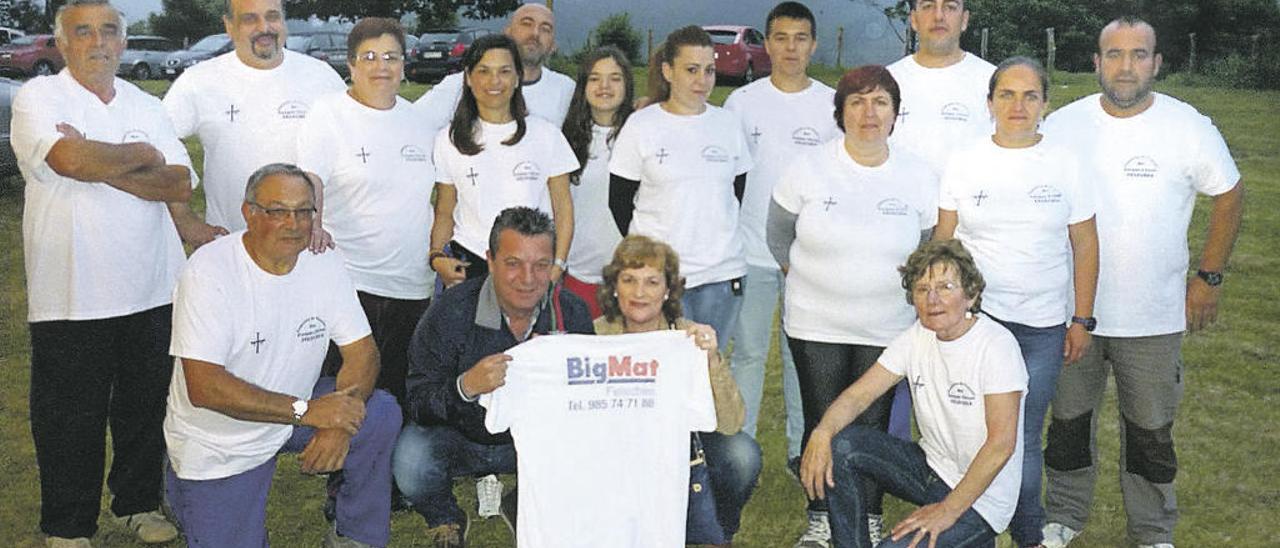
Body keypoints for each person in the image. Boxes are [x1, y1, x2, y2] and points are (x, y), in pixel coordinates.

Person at [1038, 17, 1244, 548]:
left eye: (1138, 54)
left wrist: (1209, 277)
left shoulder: (1189, 126)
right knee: (1068, 423)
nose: (1125, 66)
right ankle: (1062, 516)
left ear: (1156, 63)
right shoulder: (1061, 125)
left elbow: (1229, 195)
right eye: (1114, 54)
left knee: (1151, 432)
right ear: (1095, 63)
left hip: (1153, 315)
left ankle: (1152, 532)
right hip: (1072, 311)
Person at [12, 1, 193, 544]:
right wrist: (141, 156)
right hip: (73, 292)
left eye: (109, 31)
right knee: (71, 418)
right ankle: (68, 525)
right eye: (83, 32)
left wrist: (105, 159)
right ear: (62, 42)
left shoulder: (145, 103)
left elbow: (179, 183)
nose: (98, 42)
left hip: (153, 287)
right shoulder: (38, 97)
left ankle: (136, 503)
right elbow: (67, 162)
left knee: (145, 407)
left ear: (124, 42)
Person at [162, 163, 400, 548]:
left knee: (379, 413)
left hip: (294, 412)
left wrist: (340, 421)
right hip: (221, 445)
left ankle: (354, 536)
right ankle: (180, 487)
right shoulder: (208, 272)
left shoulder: (323, 261)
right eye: (277, 211)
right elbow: (204, 387)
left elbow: (363, 353)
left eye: (304, 211)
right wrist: (307, 412)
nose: (294, 224)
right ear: (249, 213)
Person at [768, 64, 938, 547]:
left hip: (887, 326)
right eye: (858, 101)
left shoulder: (919, 176)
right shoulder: (807, 168)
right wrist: (813, 278)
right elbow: (778, 237)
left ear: (895, 113)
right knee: (823, 421)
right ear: (840, 112)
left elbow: (927, 249)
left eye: (880, 101)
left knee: (870, 430)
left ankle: (867, 517)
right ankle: (821, 518)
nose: (869, 112)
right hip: (815, 323)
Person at [933, 56, 1099, 548]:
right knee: (972, 427)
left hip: (1040, 327)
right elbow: (945, 243)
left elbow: (1085, 245)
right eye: (1006, 94)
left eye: (1030, 95)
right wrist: (942, 311)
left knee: (1020, 433)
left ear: (1046, 103)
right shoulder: (964, 162)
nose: (1018, 105)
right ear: (989, 103)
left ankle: (1028, 533)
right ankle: (972, 525)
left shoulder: (1067, 163)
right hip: (977, 322)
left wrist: (1081, 318)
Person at [800, 239, 1026, 548]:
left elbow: (1001, 445)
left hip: (983, 498)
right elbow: (858, 396)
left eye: (946, 287)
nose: (933, 299)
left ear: (971, 295)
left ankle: (975, 535)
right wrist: (822, 432)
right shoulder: (917, 337)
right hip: (933, 469)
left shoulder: (997, 347)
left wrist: (948, 510)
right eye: (922, 289)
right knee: (842, 445)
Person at [394, 207, 595, 547]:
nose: (528, 278)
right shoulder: (450, 312)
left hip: (531, 444)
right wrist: (465, 387)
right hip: (460, 436)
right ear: (490, 260)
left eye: (541, 265)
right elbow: (417, 400)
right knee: (411, 462)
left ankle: (525, 503)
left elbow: (589, 402)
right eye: (513, 263)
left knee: (592, 453)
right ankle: (445, 518)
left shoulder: (570, 313)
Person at [722, 0, 836, 503]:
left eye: (800, 38)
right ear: (766, 44)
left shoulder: (833, 104)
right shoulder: (742, 103)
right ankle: (738, 451)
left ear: (813, 44)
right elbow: (728, 179)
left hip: (810, 259)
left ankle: (801, 450)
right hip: (751, 252)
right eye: (781, 38)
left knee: (802, 358)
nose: (790, 48)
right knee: (747, 353)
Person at [296, 17, 435, 405]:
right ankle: (343, 466)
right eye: (369, 56)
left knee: (396, 397)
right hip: (351, 283)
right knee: (347, 398)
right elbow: (312, 179)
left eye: (391, 56)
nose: (381, 66)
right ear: (351, 64)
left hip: (412, 285)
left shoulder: (421, 122)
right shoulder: (329, 114)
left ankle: (386, 467)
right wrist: (315, 223)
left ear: (404, 64)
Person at [593, 235, 762, 546]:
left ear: (668, 290)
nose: (639, 292)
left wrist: (711, 360)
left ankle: (715, 530)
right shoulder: (593, 336)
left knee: (742, 454)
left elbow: (732, 421)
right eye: (629, 280)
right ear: (614, 287)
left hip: (681, 445)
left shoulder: (688, 336)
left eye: (652, 282)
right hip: (616, 448)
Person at [609, 25, 753, 349]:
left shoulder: (727, 124)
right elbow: (618, 201)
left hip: (722, 276)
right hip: (661, 282)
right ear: (668, 71)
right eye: (691, 70)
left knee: (709, 375)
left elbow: (735, 193)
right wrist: (650, 259)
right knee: (664, 377)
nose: (702, 80)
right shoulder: (642, 126)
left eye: (709, 70)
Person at [163, 0, 346, 233]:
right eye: (250, 19)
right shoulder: (198, 82)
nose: (264, 27)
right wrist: (184, 219)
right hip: (234, 244)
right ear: (229, 26)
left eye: (272, 16)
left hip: (309, 244)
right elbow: (159, 144)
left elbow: (353, 148)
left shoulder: (322, 77)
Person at [428, 34, 578, 288]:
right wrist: (437, 257)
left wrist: (557, 266)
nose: (494, 81)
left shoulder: (546, 134)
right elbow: (444, 211)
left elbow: (563, 208)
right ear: (468, 78)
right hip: (468, 265)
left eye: (504, 71)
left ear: (518, 77)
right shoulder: (449, 139)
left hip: (530, 267)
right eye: (483, 71)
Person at [414, 3, 575, 131]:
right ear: (507, 32)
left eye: (545, 29)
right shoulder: (458, 85)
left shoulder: (566, 89)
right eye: (526, 24)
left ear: (553, 45)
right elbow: (413, 123)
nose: (535, 34)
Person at [559, 46, 634, 317]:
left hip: (633, 277)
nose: (604, 86)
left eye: (615, 78)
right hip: (580, 274)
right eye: (595, 78)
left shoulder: (643, 133)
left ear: (627, 84)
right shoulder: (564, 140)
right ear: (583, 86)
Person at [886, 0, 995, 177]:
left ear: (964, 19)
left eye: (950, 7)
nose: (938, 16)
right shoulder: (885, 82)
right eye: (928, 6)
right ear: (913, 19)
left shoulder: (995, 82)